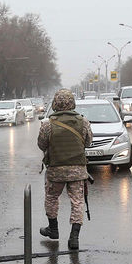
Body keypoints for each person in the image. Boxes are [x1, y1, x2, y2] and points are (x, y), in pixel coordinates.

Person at [38, 89, 93, 250]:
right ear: (72, 103)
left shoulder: (48, 124)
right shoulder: (83, 122)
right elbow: (89, 142)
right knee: (77, 202)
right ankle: (74, 238)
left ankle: (53, 229)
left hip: (55, 170)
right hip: (77, 170)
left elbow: (41, 144)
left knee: (51, 198)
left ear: (55, 104)